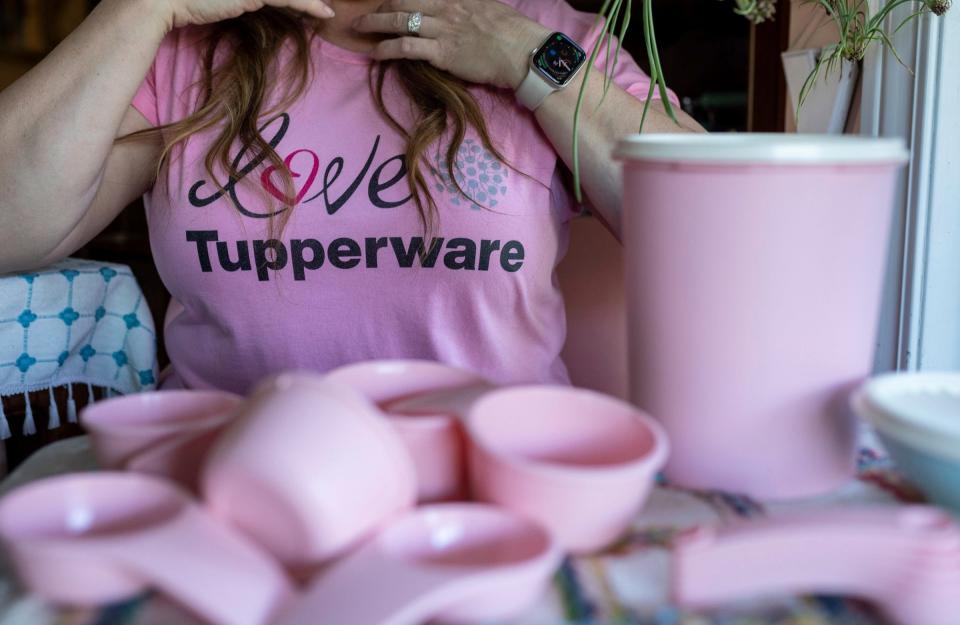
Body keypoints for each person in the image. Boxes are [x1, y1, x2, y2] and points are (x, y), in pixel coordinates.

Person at [0, 0, 702, 394]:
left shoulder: (547, 33)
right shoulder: (189, 42)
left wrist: (531, 61)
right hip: (230, 482)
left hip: (491, 482)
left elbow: (720, 235)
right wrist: (143, 9)